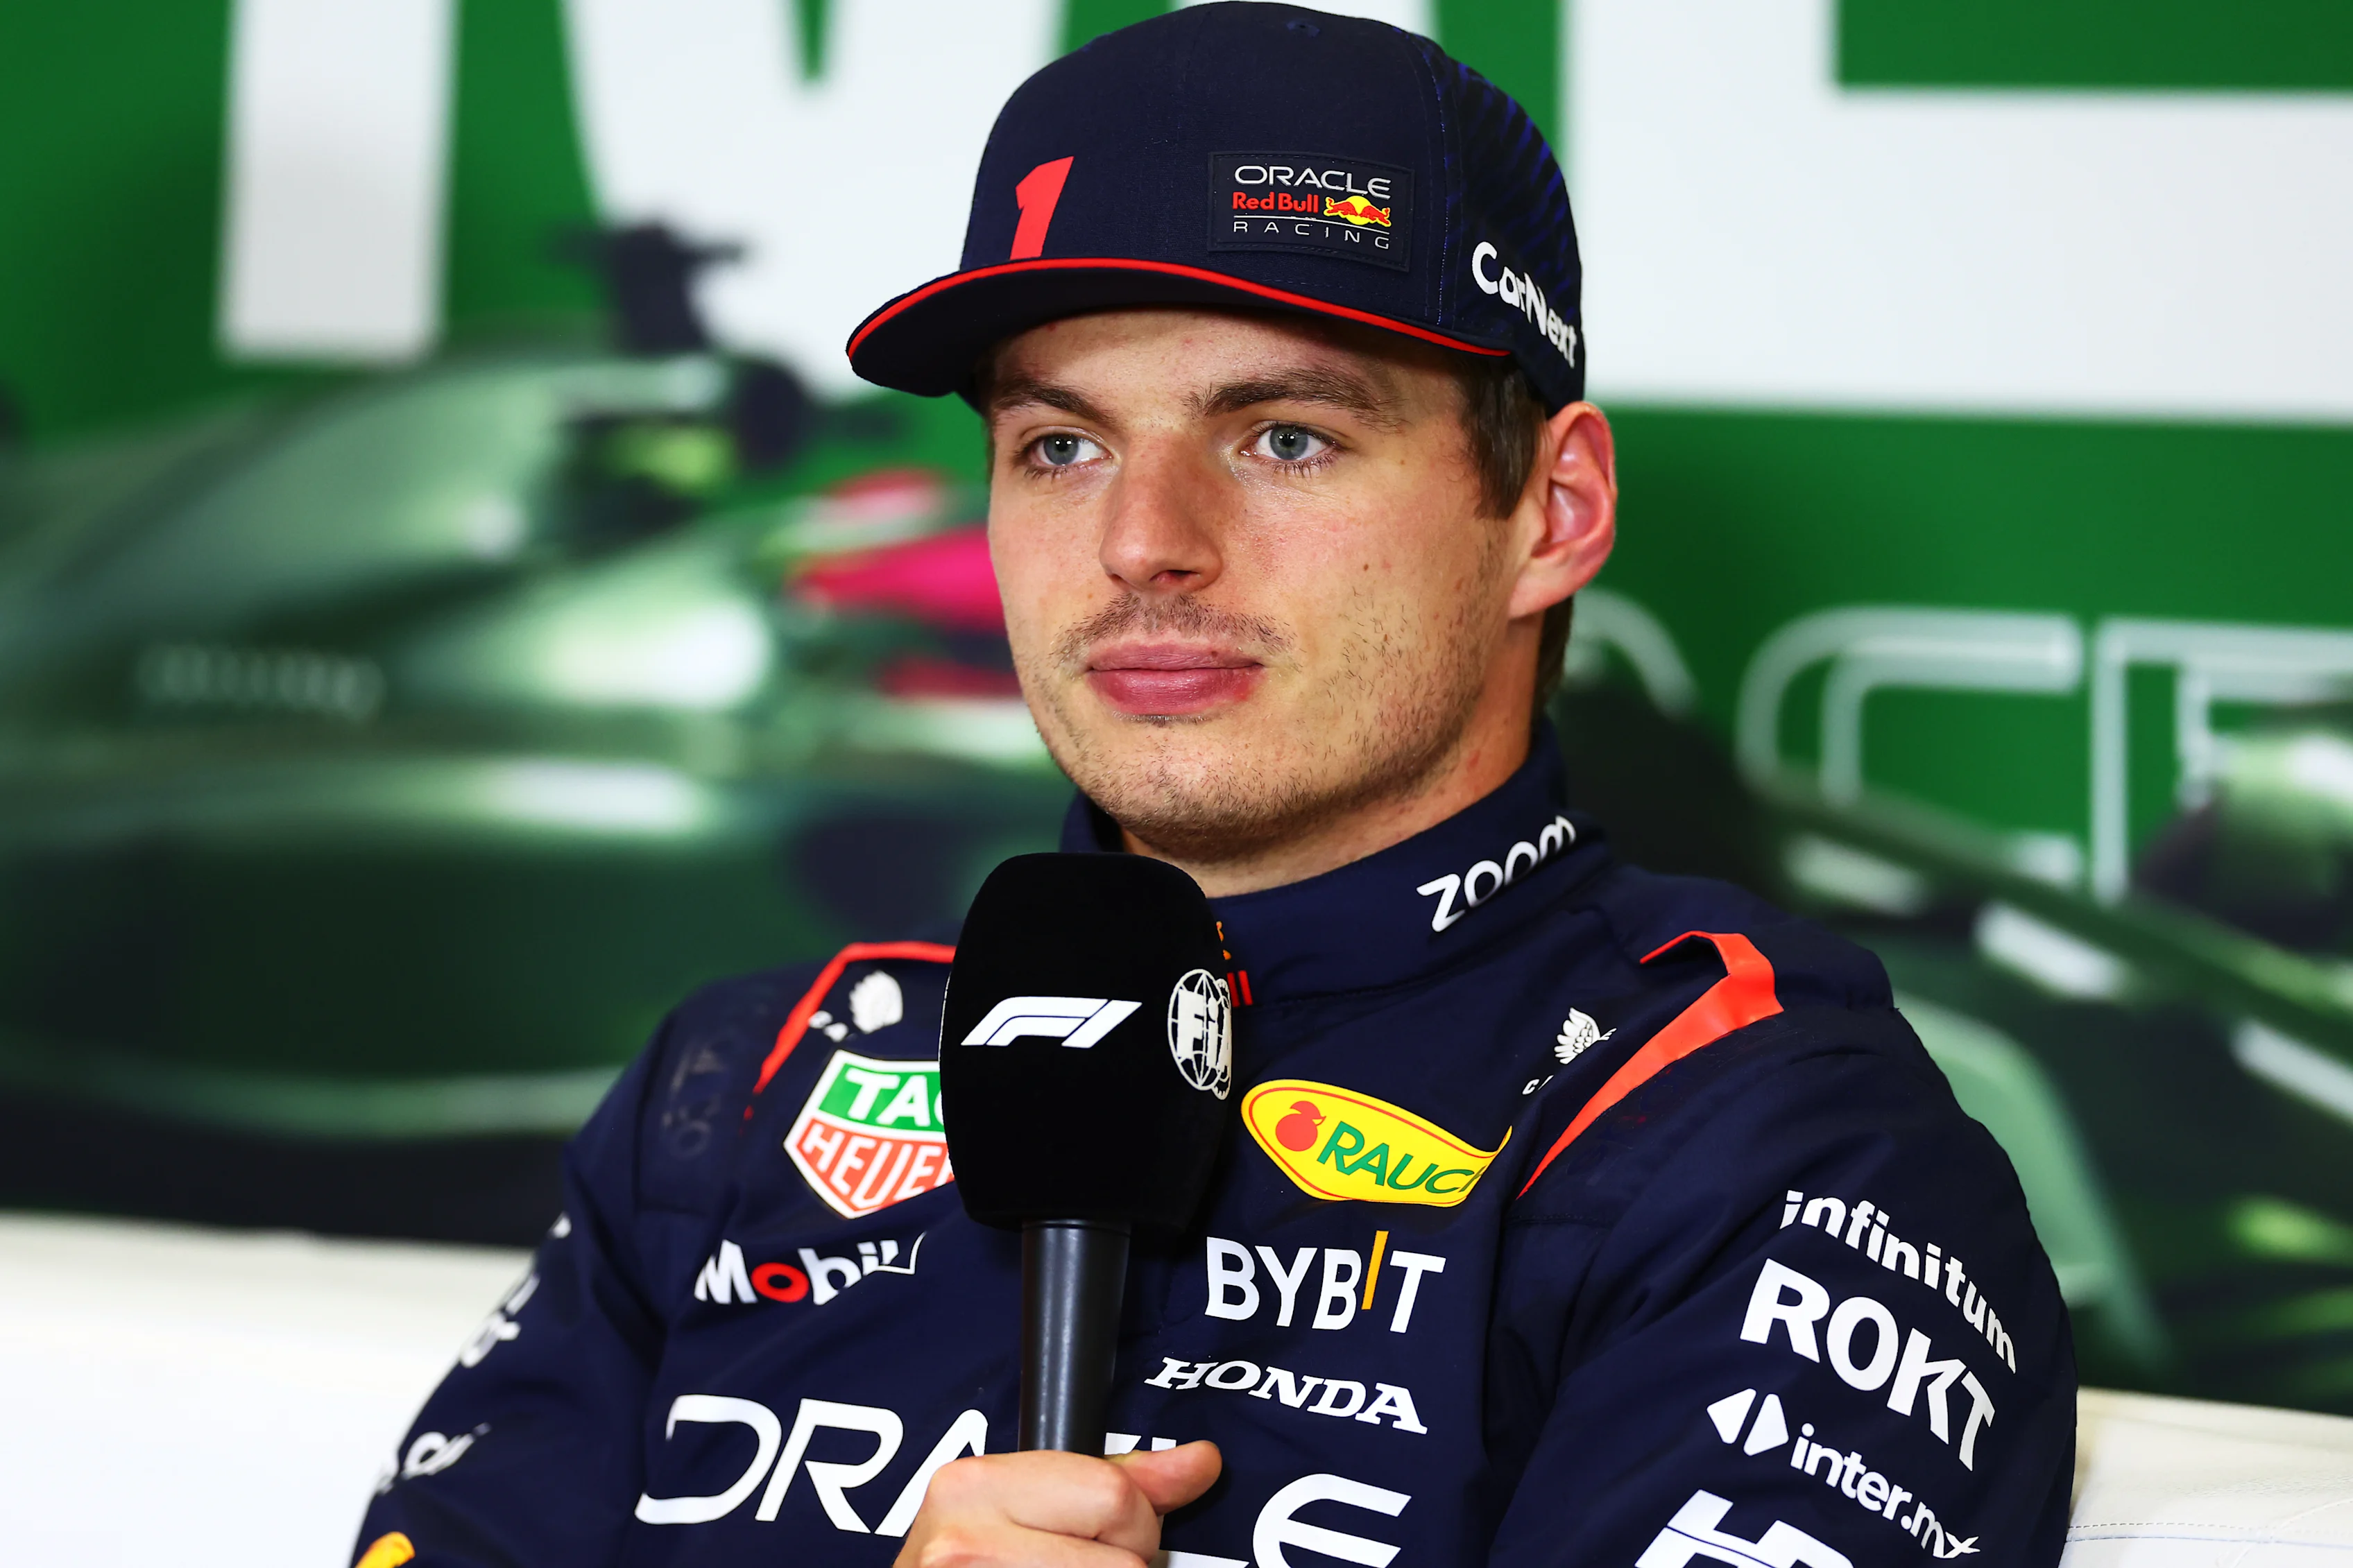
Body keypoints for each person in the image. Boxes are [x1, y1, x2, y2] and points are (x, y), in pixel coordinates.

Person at [352, 6, 2075, 1566]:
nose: (1142, 544)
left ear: (1549, 510)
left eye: (1284, 436)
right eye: (1061, 443)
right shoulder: (745, 1089)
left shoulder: (1757, 1144)